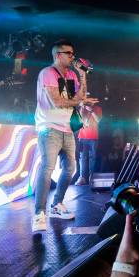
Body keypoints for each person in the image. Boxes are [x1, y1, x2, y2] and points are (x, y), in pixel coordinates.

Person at [32, 39, 98, 233]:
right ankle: (39, 213)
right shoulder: (47, 73)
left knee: (70, 167)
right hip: (49, 127)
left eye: (73, 53)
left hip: (67, 128)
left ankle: (57, 205)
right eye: (69, 53)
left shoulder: (71, 74)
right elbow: (58, 102)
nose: (72, 56)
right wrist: (79, 100)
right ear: (57, 55)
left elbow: (81, 94)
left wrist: (83, 75)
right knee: (47, 167)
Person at [76, 102, 103, 186]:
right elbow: (79, 120)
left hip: (93, 137)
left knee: (92, 158)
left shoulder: (98, 108)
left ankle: (91, 177)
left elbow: (98, 120)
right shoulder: (82, 108)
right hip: (82, 137)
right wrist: (82, 107)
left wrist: (91, 111)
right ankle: (82, 178)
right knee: (82, 158)